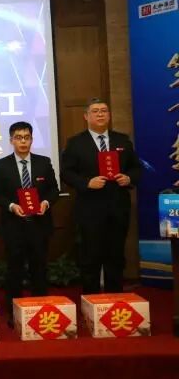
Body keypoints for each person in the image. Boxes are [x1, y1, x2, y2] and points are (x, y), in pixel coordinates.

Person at [61, 98, 141, 294]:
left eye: (104, 111)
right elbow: (66, 173)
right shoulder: (76, 143)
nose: (100, 114)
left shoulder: (122, 140)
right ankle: (91, 300)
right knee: (90, 257)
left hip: (118, 207)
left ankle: (115, 299)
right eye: (95, 111)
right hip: (90, 208)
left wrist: (128, 178)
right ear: (86, 116)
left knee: (116, 256)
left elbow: (136, 168)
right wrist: (86, 182)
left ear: (109, 115)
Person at [0, 122, 59, 325]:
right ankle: (14, 314)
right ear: (11, 140)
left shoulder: (43, 162)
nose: (23, 141)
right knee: (15, 271)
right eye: (18, 137)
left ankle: (40, 312)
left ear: (31, 139)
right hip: (14, 227)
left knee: (39, 270)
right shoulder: (1, 165)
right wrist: (12, 206)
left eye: (27, 137)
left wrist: (46, 203)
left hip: (39, 225)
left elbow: (53, 190)